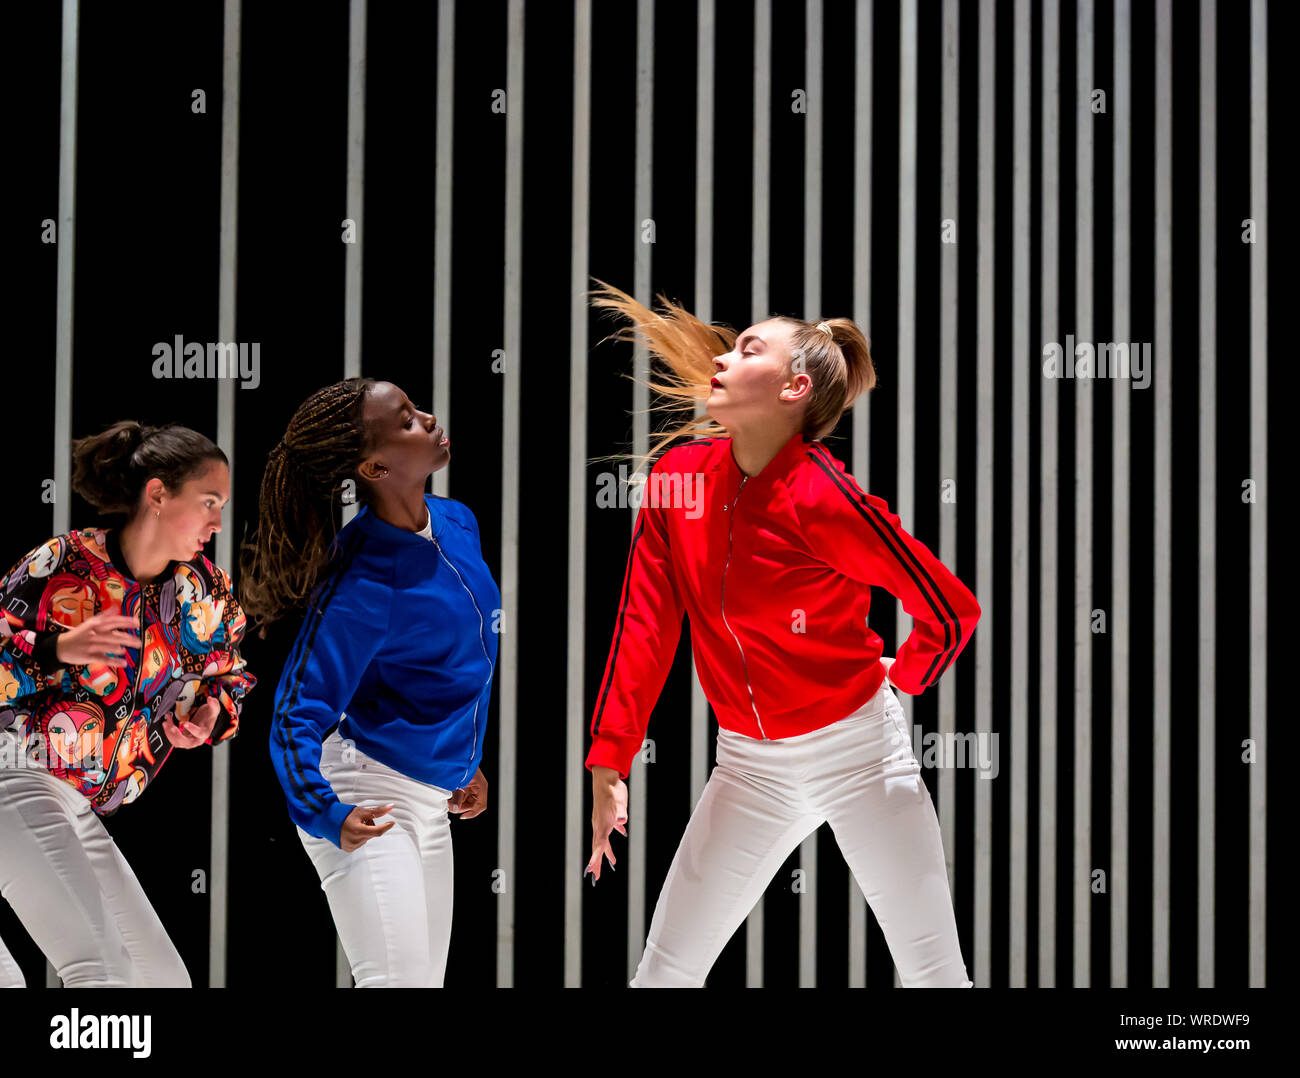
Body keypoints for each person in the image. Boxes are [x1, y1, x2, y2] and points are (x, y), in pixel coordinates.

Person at [583, 281, 981, 987]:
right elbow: (643, 623)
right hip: (749, 767)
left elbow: (949, 607)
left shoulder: (825, 498)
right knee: (663, 973)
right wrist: (610, 758)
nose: (720, 359)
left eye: (747, 349)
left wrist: (910, 675)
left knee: (934, 975)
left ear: (795, 387)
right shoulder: (677, 481)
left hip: (860, 757)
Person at [243, 377, 497, 988]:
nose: (429, 419)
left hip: (432, 799)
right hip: (363, 793)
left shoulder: (457, 522)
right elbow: (294, 713)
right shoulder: (360, 579)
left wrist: (463, 765)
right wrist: (323, 812)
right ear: (374, 465)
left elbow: (453, 670)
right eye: (408, 420)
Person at [0, 421, 255, 987]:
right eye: (208, 502)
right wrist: (58, 648)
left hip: (79, 801)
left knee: (162, 982)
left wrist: (212, 713)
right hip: (15, 770)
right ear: (158, 494)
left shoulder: (204, 591)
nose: (218, 522)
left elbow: (230, 676)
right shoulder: (64, 564)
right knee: (104, 972)